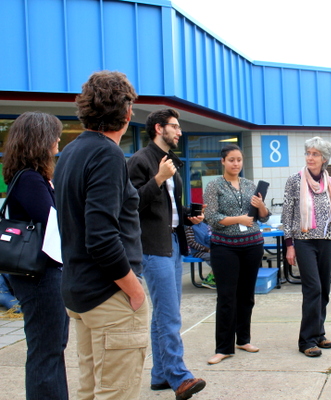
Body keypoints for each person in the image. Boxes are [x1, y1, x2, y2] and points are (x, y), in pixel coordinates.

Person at [54, 71, 150, 400]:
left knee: (90, 391)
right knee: (115, 394)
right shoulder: (107, 154)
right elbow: (101, 237)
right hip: (109, 295)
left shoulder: (70, 151)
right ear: (126, 113)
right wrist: (135, 291)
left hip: (80, 292)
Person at [127, 108, 206, 397]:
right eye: (174, 127)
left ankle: (160, 374)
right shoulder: (140, 160)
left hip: (173, 243)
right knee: (170, 315)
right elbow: (131, 205)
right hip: (152, 247)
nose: (179, 132)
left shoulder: (172, 162)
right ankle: (179, 376)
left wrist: (189, 216)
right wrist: (158, 178)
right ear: (159, 129)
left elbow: (168, 208)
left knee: (163, 314)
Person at [2, 111, 68, 399]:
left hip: (38, 275)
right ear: (39, 139)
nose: (58, 139)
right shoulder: (29, 179)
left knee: (50, 347)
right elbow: (53, 221)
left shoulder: (33, 177)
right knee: (47, 350)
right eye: (54, 133)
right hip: (40, 277)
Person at [203, 144, 270, 365]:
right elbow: (211, 217)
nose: (236, 164)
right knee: (226, 297)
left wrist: (260, 206)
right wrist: (238, 219)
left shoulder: (250, 185)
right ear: (223, 161)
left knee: (246, 296)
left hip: (252, 244)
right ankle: (223, 348)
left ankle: (243, 339)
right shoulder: (214, 186)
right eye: (231, 160)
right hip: (225, 247)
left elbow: (264, 217)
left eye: (239, 160)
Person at [281, 137, 331, 358]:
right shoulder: (294, 181)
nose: (310, 157)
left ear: (324, 158)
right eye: (308, 153)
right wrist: (289, 245)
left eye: (315, 154)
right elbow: (287, 215)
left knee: (324, 289)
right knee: (313, 289)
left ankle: (318, 333)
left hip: (326, 239)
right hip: (304, 240)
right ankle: (306, 340)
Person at [185, 218, 216, 289]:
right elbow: (191, 242)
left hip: (210, 249)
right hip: (198, 252)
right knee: (216, 258)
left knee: (222, 256)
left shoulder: (205, 225)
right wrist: (207, 249)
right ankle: (209, 280)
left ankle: (213, 277)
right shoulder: (189, 227)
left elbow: (210, 237)